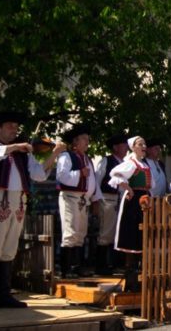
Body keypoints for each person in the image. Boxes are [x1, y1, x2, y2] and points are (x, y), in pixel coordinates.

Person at [0, 111, 66, 311]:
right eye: (9, 126)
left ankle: (4, 294)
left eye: (16, 127)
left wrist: (54, 153)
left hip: (18, 202)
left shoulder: (23, 154)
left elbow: (39, 175)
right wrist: (17, 146)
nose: (14, 130)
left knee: (9, 249)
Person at [56, 124, 103, 278]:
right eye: (83, 139)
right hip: (70, 198)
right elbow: (62, 176)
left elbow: (93, 182)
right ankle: (66, 269)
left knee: (81, 233)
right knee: (70, 232)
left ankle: (77, 266)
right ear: (75, 141)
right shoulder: (66, 156)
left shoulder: (87, 159)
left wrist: (95, 200)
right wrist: (79, 173)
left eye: (88, 139)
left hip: (83, 200)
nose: (87, 142)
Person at [108, 136, 153, 292]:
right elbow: (114, 174)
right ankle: (131, 281)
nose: (144, 146)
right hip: (134, 203)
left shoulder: (144, 164)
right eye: (140, 144)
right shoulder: (130, 163)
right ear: (133, 147)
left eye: (144, 143)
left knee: (143, 239)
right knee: (132, 238)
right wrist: (128, 188)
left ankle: (140, 281)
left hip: (145, 201)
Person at [94, 133, 128, 276]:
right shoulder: (106, 161)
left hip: (121, 199)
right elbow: (96, 180)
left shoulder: (125, 164)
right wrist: (95, 201)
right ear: (115, 147)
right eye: (123, 144)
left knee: (117, 232)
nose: (126, 147)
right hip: (107, 198)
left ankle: (114, 264)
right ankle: (100, 265)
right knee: (106, 232)